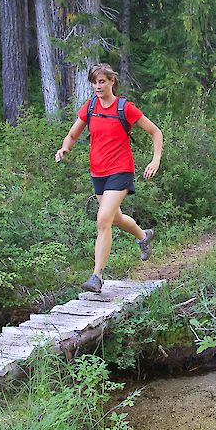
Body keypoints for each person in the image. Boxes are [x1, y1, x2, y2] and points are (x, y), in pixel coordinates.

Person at [55, 63, 162, 292]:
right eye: (94, 82)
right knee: (115, 218)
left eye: (101, 81)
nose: (97, 86)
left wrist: (155, 160)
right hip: (98, 173)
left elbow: (155, 132)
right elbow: (73, 133)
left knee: (103, 219)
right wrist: (65, 148)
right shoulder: (90, 106)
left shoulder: (125, 107)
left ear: (112, 81)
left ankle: (96, 276)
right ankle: (143, 237)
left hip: (121, 170)